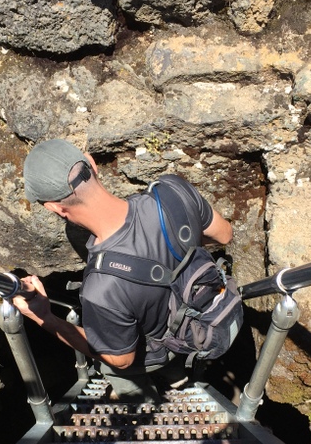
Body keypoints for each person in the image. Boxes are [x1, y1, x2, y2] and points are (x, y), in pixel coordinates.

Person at [14, 139, 233, 402]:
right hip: (196, 322)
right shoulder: (174, 193)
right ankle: (178, 378)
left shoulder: (101, 288)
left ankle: (143, 401)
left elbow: (122, 360)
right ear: (92, 164)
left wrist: (45, 317)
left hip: (155, 351)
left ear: (55, 208)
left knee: (108, 358)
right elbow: (224, 234)